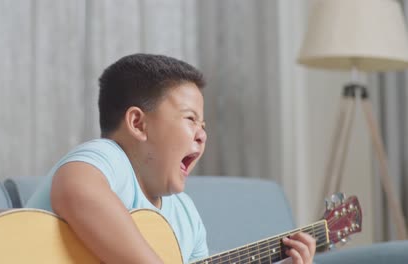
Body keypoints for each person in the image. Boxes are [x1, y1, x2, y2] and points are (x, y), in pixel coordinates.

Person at [26, 53, 316, 264]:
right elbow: (76, 191)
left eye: (203, 125)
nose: (202, 135)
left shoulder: (185, 215)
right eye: (190, 119)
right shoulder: (109, 159)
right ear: (138, 124)